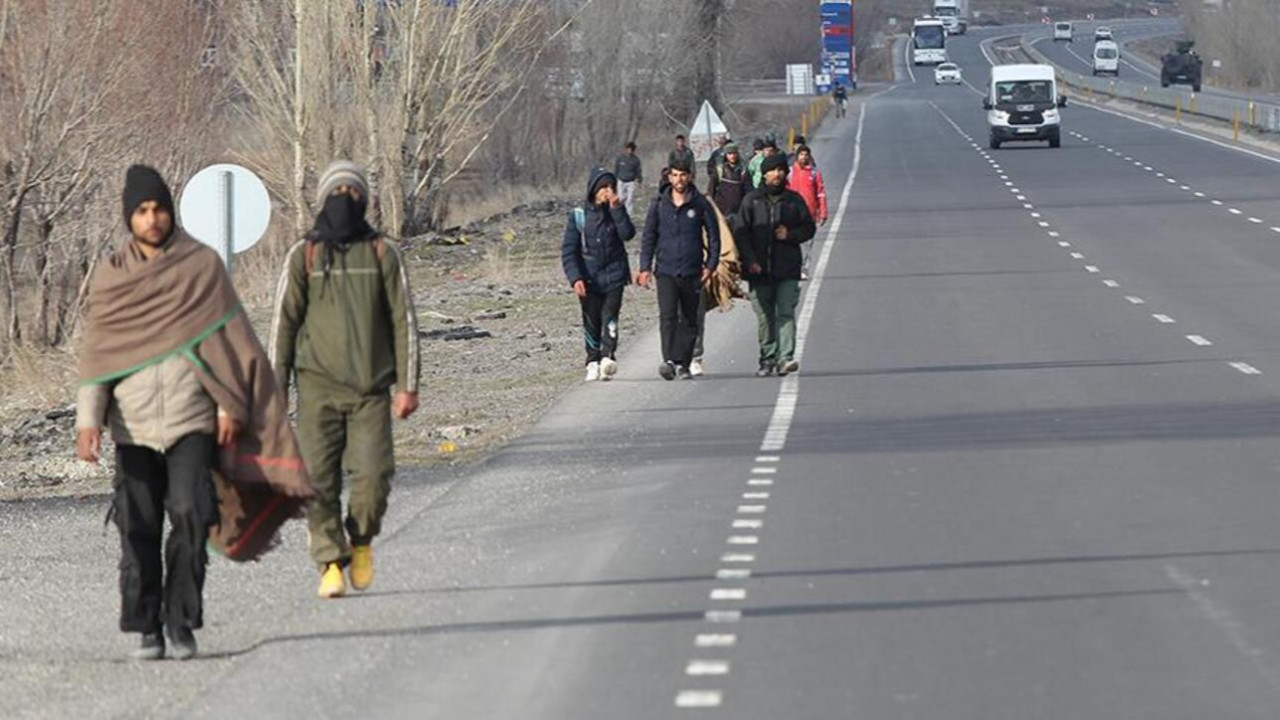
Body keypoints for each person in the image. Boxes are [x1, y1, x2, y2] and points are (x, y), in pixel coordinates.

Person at [77, 165, 312, 661]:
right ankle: (146, 625)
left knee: (190, 515)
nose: (152, 218)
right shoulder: (112, 277)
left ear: (170, 212)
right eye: (142, 211)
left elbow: (231, 344)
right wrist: (88, 421)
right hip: (133, 426)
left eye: (159, 208)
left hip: (191, 421)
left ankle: (181, 622)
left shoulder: (201, 267)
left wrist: (229, 405)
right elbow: (98, 355)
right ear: (129, 218)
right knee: (136, 526)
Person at [271, 160, 422, 600]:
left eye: (353, 194)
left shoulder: (381, 252)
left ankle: (360, 541)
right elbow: (283, 326)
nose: (345, 201)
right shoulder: (305, 254)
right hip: (317, 390)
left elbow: (403, 320)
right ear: (323, 201)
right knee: (316, 482)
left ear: (365, 200)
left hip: (372, 391)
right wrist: (275, 395)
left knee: (373, 478)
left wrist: (407, 385)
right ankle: (329, 562)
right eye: (337, 193)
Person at [735, 153, 816, 377]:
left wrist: (789, 234)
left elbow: (809, 227)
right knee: (765, 317)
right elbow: (741, 234)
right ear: (764, 174)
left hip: (787, 268)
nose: (777, 174)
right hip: (759, 271)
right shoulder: (752, 201)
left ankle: (785, 357)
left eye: (781, 170)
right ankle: (767, 357)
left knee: (786, 313)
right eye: (773, 170)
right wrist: (750, 260)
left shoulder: (793, 200)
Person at [638, 156, 720, 380]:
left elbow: (714, 236)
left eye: (683, 174)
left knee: (690, 319)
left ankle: (684, 362)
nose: (679, 179)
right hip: (665, 270)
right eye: (675, 175)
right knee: (668, 316)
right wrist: (644, 267)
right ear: (669, 176)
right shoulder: (659, 203)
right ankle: (669, 361)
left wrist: (710, 265)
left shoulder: (700, 203)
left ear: (690, 176)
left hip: (693, 271)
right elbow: (649, 237)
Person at [562, 167, 635, 382]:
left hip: (614, 275)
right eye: (603, 187)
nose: (608, 191)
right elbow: (569, 251)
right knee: (591, 321)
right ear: (593, 189)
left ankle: (607, 358)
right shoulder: (579, 216)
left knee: (610, 318)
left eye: (611, 187)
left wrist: (617, 210)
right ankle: (592, 360)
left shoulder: (615, 212)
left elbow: (627, 234)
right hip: (589, 278)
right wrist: (576, 278)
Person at [787, 145, 828, 280]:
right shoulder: (790, 172)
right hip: (792, 214)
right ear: (797, 156)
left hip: (809, 214)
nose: (803, 157)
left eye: (806, 155)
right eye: (801, 155)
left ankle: (804, 269)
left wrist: (823, 212)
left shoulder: (814, 173)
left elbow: (820, 193)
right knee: (792, 242)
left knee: (807, 244)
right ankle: (793, 267)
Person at [614, 142, 643, 217]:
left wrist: (639, 180)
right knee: (620, 198)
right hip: (621, 181)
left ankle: (628, 215)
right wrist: (614, 179)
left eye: (632, 149)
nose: (630, 151)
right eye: (629, 149)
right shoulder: (620, 159)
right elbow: (616, 169)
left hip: (631, 181)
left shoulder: (635, 160)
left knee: (630, 199)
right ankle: (619, 213)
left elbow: (638, 171)